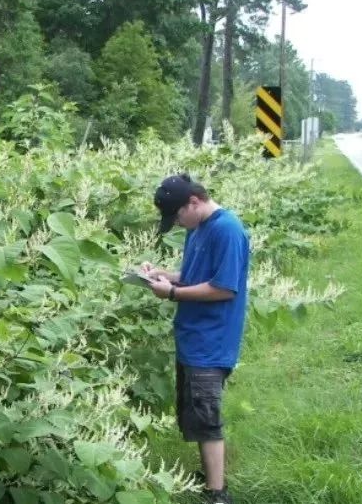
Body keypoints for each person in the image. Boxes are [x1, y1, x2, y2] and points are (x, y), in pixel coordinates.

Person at [141, 174, 250, 504]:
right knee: (196, 415)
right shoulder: (197, 228)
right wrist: (163, 275)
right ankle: (209, 478)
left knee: (207, 416)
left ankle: (217, 494)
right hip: (192, 336)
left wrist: (172, 293)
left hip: (212, 341)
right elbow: (195, 276)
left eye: (177, 216)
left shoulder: (227, 229)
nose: (177, 224)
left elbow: (224, 288)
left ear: (194, 202)